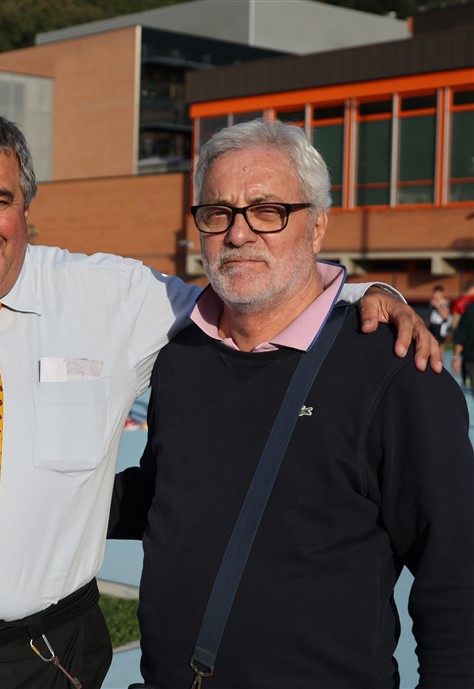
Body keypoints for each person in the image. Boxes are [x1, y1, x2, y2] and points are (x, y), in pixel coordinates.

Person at [0, 108, 441, 689]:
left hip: (47, 659)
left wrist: (365, 294)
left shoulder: (117, 297)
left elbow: (256, 287)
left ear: (26, 206)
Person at [109, 119, 474, 688]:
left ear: (317, 225)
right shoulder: (182, 357)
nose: (238, 233)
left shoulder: (396, 372)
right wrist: (49, 498)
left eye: (267, 210)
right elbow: (172, 493)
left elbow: (456, 573)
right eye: (218, 213)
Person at [453, 304, 474, 390]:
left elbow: (461, 335)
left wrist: (456, 358)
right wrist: (456, 357)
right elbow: (461, 335)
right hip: (471, 360)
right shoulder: (470, 311)